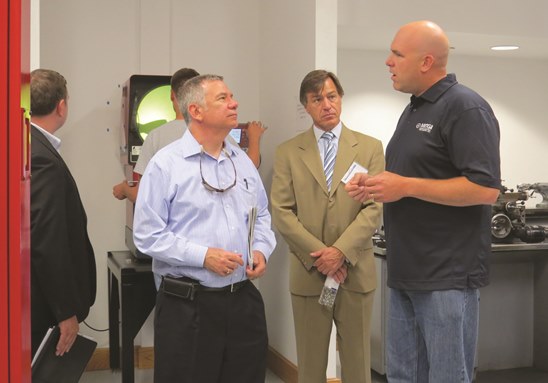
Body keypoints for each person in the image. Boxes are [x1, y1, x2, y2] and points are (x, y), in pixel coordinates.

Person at [345, 21, 501, 383]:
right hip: (406, 271)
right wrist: (378, 185)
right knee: (402, 375)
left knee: (446, 376)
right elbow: (416, 177)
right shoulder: (415, 109)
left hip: (446, 276)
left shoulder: (465, 108)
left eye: (397, 54)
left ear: (427, 61)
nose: (388, 61)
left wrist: (405, 186)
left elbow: (484, 189)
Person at [132, 74, 276, 383]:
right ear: (196, 111)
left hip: (242, 301)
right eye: (222, 98)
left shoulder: (242, 161)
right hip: (188, 306)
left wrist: (261, 249)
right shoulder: (165, 165)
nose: (234, 103)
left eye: (232, 96)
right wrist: (203, 256)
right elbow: (146, 235)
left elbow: (261, 215)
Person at [271, 69, 385, 383]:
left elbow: (373, 208)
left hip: (356, 271)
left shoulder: (370, 148)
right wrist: (322, 255)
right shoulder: (288, 152)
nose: (326, 104)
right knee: (310, 364)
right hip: (310, 272)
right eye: (317, 99)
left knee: (357, 364)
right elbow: (281, 212)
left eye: (332, 96)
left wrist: (340, 252)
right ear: (305, 106)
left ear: (341, 98)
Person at [112, 68, 266, 203]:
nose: (233, 104)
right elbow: (249, 167)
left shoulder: (155, 137)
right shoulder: (217, 134)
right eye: (222, 98)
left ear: (172, 95)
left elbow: (142, 195)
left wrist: (125, 189)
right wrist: (254, 138)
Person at [29, 69, 97, 357]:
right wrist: (65, 311)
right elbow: (47, 238)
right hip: (41, 302)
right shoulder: (42, 157)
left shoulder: (25, 143)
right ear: (61, 106)